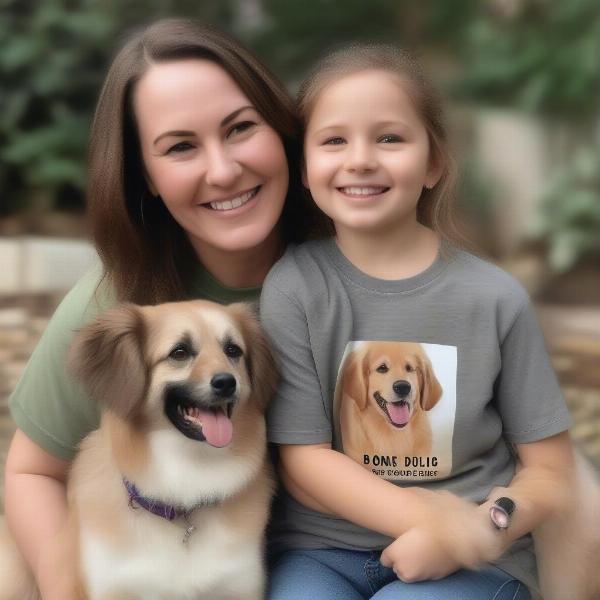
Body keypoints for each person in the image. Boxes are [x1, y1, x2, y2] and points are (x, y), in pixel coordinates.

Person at [4, 18, 324, 599]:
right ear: (144, 177)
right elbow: (32, 472)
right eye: (180, 147)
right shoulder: (113, 299)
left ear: (282, 129)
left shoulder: (358, 268)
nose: (223, 170)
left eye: (241, 128)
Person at [260, 44, 575, 600]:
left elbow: (549, 473)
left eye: (389, 137)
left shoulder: (496, 298)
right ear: (304, 168)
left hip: (470, 563)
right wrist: (429, 520)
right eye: (334, 140)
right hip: (322, 555)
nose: (360, 159)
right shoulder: (294, 286)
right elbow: (304, 460)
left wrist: (474, 530)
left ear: (433, 163)